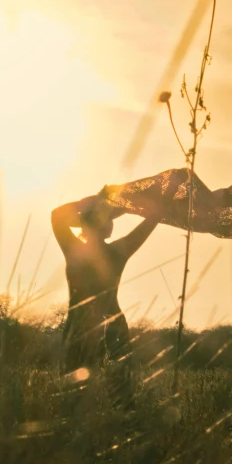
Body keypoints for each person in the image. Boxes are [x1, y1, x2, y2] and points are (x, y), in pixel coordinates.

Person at [51, 172, 184, 412]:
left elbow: (56, 215)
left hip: (81, 326)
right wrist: (171, 189)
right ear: (108, 228)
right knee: (121, 397)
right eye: (109, 218)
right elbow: (153, 219)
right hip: (111, 324)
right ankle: (125, 430)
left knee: (74, 398)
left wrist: (96, 200)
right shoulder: (117, 252)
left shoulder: (74, 249)